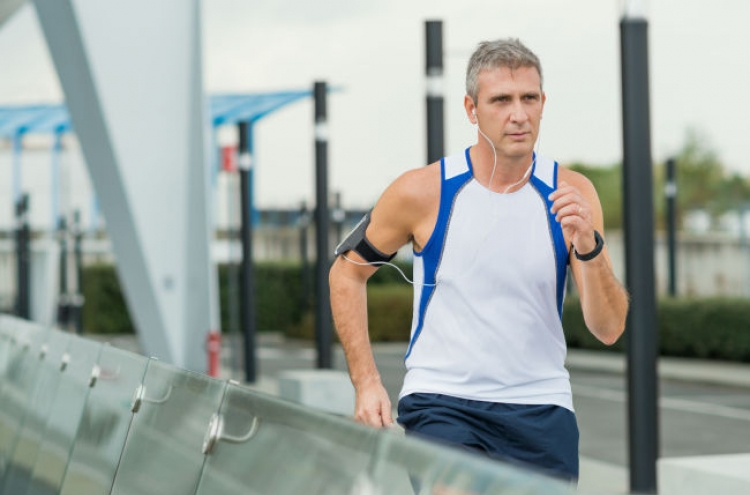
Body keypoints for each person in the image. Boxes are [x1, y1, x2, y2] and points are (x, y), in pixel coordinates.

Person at [328, 37, 629, 482]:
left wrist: (588, 243)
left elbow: (609, 329)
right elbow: (346, 274)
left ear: (543, 103)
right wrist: (366, 381)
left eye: (529, 98)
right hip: (443, 402)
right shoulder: (423, 191)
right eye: (501, 100)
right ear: (472, 109)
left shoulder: (572, 194)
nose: (518, 114)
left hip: (541, 408)